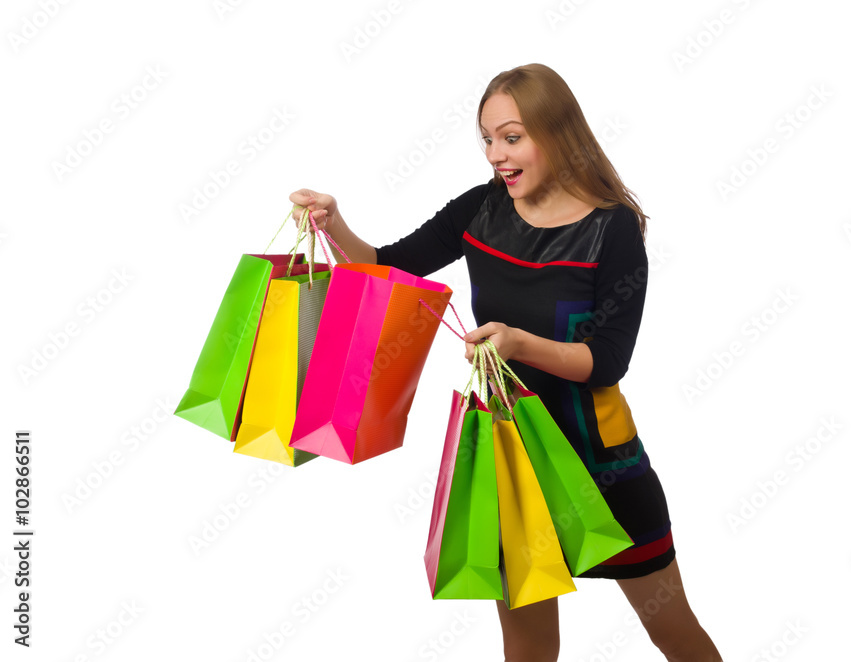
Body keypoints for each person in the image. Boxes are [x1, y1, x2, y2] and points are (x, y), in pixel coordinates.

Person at [290, 63, 722, 662]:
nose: (496, 153)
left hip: (602, 466)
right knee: (527, 647)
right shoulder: (480, 210)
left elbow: (606, 361)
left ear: (558, 134)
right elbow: (390, 267)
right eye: (488, 138)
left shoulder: (612, 229)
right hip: (512, 461)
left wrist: (518, 343)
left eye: (512, 137)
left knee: (672, 631)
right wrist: (333, 225)